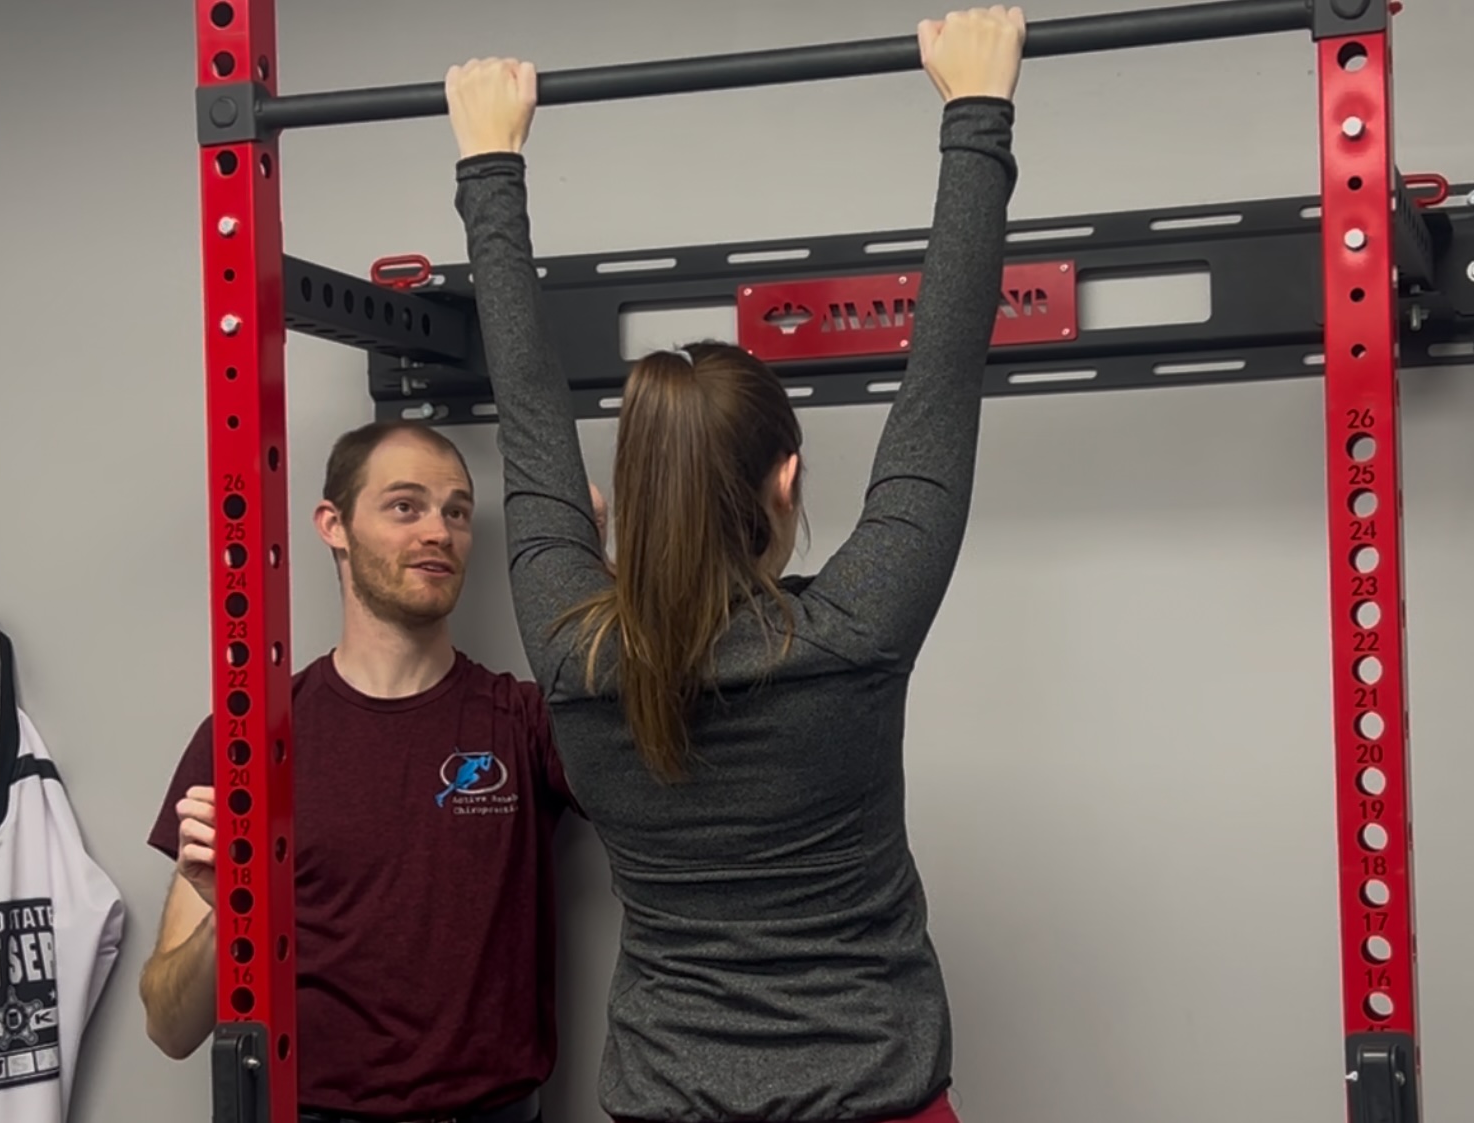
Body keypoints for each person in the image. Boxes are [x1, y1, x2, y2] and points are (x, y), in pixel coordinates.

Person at [442, 8, 1026, 1123]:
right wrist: (976, 112)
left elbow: (527, 417)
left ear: (634, 498)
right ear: (788, 481)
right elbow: (940, 386)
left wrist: (489, 161)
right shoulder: (852, 635)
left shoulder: (573, 651)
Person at [139, 419, 588, 1123]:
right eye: (405, 505)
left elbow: (672, 773)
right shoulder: (248, 736)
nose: (439, 531)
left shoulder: (525, 722)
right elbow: (170, 1026)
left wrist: (605, 570)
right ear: (334, 524)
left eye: (457, 511)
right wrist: (235, 904)